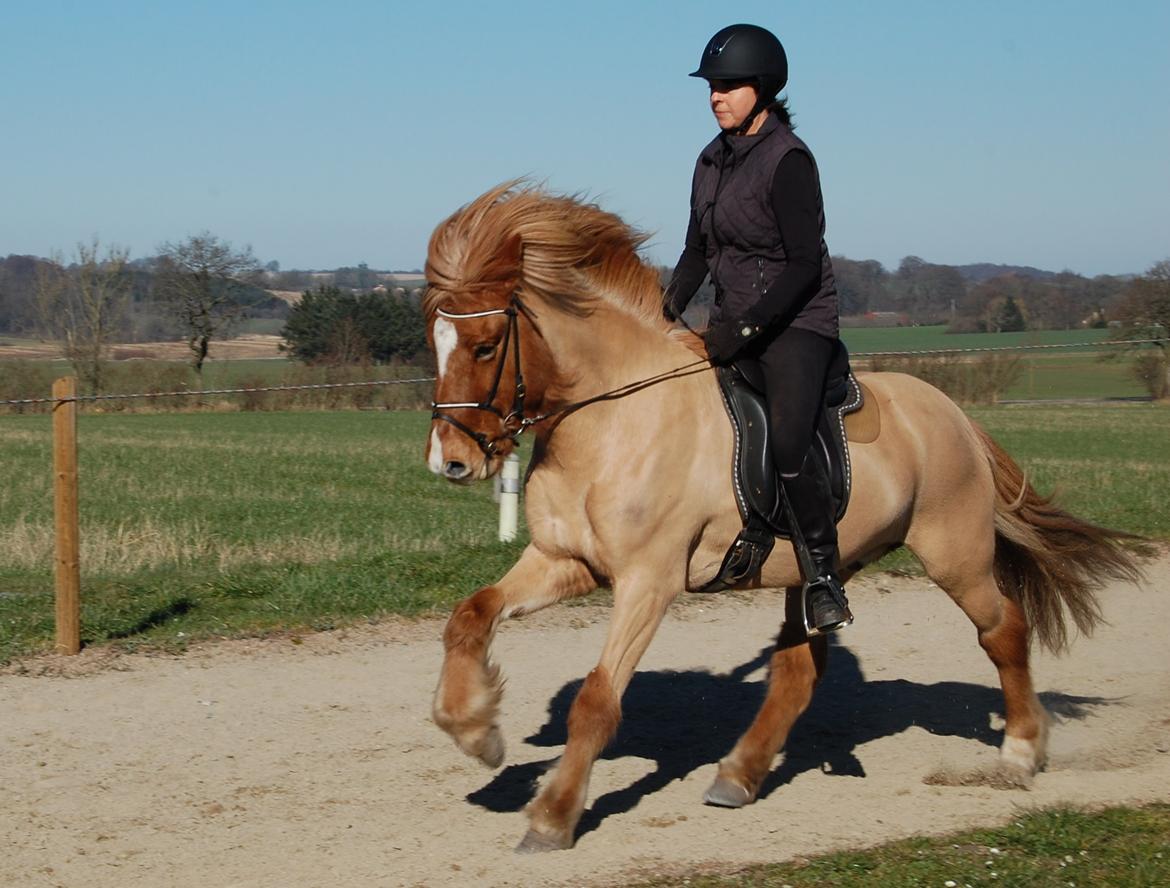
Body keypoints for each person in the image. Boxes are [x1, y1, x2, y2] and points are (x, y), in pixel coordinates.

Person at [663, 23, 852, 634]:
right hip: (731, 321)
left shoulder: (789, 159)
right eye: (711, 87)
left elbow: (802, 266)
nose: (715, 96)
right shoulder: (709, 160)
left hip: (797, 325)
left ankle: (822, 576)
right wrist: (662, 311)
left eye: (728, 85)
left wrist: (743, 332)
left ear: (762, 89)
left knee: (790, 442)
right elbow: (696, 252)